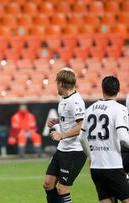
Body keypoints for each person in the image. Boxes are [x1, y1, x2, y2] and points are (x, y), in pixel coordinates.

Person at [79, 76, 129, 203]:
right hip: (113, 165)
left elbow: (81, 138)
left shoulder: (90, 110)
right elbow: (123, 138)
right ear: (118, 89)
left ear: (102, 89)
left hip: (96, 167)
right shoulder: (119, 109)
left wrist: (90, 157)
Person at [43, 68, 87, 203]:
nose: (56, 86)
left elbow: (81, 126)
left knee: (63, 189)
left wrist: (62, 135)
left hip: (75, 151)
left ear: (61, 84)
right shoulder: (64, 98)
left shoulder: (76, 101)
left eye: (57, 83)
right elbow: (71, 119)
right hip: (63, 149)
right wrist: (58, 120)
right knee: (48, 184)